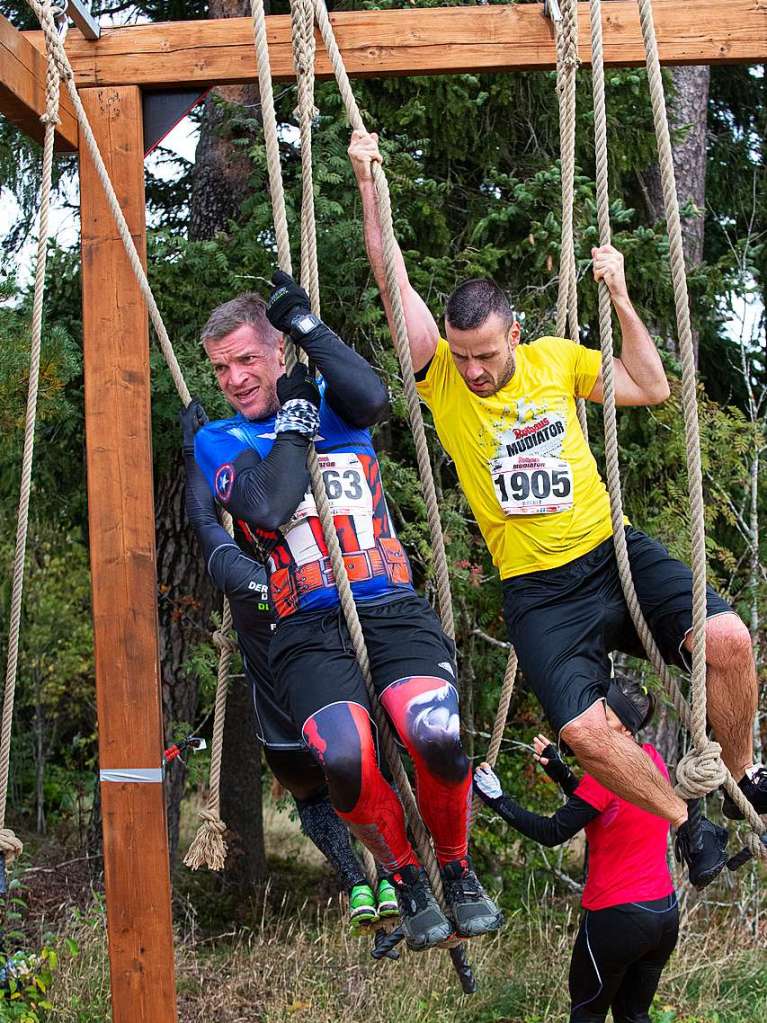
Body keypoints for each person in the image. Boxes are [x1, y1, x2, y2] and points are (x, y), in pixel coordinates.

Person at [349, 128, 766, 887]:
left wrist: (619, 295)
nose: (473, 369)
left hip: (611, 552)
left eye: (485, 352)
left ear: (514, 333)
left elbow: (650, 385)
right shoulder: (442, 378)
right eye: (461, 353)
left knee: (729, 639)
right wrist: (368, 181)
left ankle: (741, 775)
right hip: (538, 587)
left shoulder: (552, 360)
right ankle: (684, 823)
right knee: (582, 729)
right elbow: (389, 276)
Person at [192, 273, 503, 950]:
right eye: (221, 367)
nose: (235, 379)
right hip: (305, 628)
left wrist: (305, 323)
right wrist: (295, 424)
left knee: (438, 735)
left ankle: (455, 867)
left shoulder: (332, 400)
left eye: (247, 359)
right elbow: (271, 503)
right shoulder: (219, 438)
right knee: (344, 757)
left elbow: (374, 396)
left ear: (277, 355)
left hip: (388, 605)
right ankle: (405, 876)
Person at [180, 402, 397, 930]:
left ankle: (354, 882)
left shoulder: (235, 573)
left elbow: (205, 519)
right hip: (335, 711)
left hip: (284, 734)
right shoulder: (322, 579)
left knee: (313, 801)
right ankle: (393, 875)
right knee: (371, 775)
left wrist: (195, 453)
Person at [474, 677, 684, 1023]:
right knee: (634, 1016)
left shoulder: (605, 775)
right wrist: (561, 773)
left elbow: (553, 831)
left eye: (604, 714)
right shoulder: (651, 760)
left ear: (624, 727)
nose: (593, 719)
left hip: (619, 917)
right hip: (663, 916)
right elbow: (607, 810)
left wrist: (499, 800)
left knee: (587, 1014)